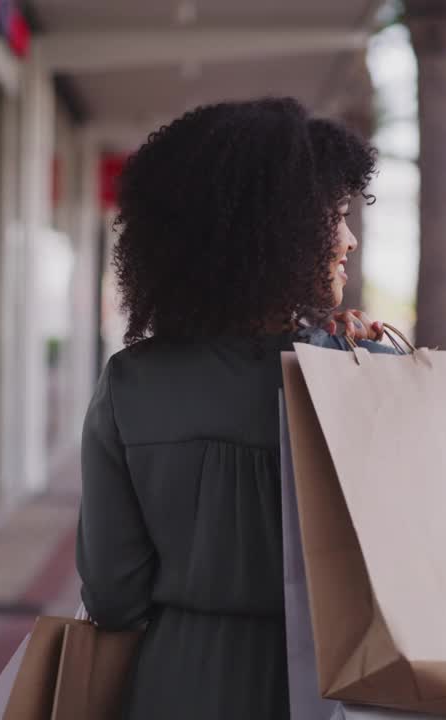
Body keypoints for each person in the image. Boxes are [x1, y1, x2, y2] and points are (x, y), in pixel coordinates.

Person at [76, 97, 389, 719]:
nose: (349, 240)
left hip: (179, 683)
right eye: (336, 217)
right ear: (280, 230)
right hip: (340, 689)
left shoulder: (133, 384)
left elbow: (112, 597)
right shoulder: (360, 375)